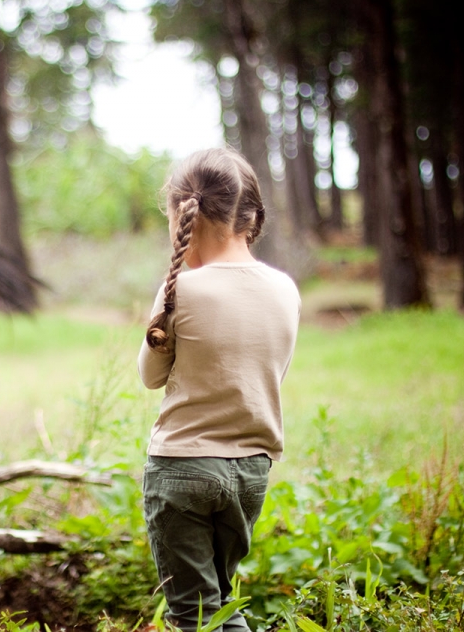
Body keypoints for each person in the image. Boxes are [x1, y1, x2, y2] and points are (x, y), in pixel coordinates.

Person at [138, 147, 301, 631]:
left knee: (192, 613)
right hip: (251, 473)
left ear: (179, 217)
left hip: (181, 470)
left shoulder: (179, 290)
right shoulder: (285, 289)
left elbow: (150, 376)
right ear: (252, 218)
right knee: (219, 603)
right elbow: (270, 372)